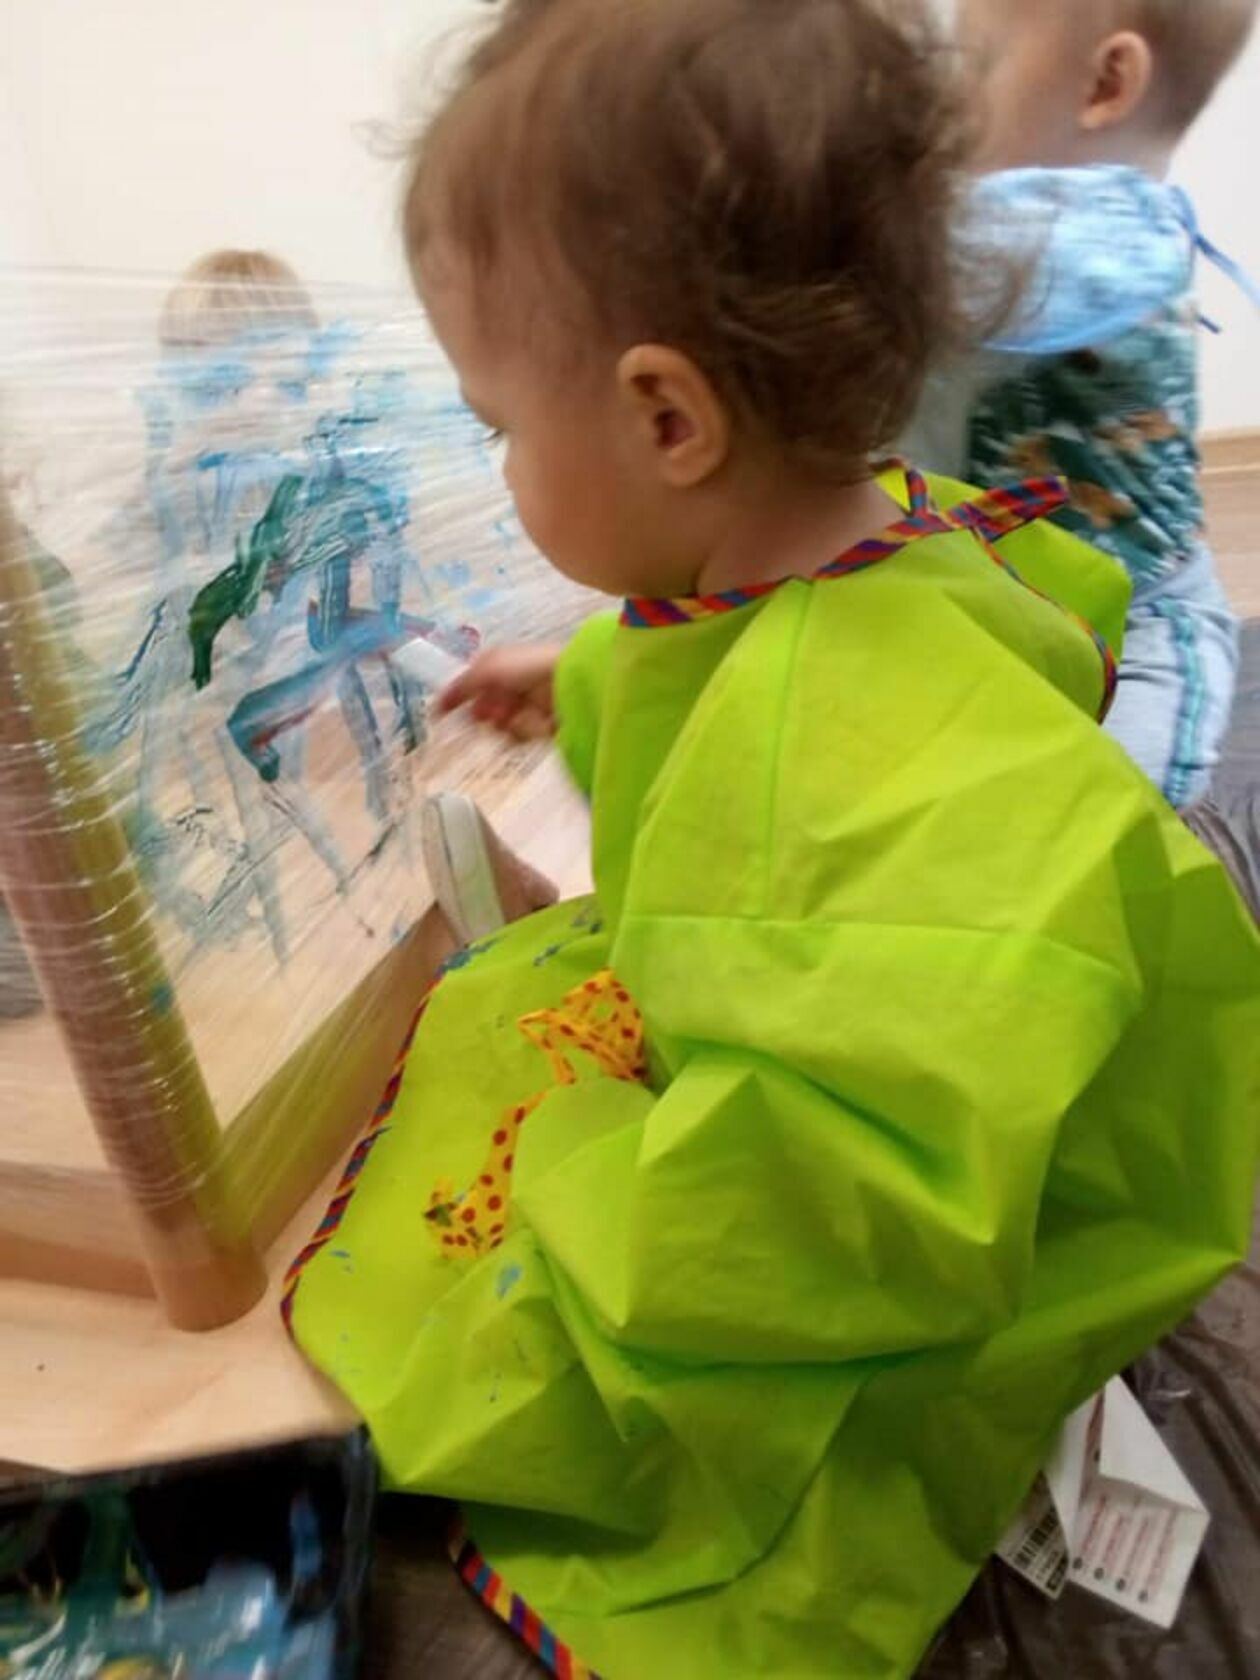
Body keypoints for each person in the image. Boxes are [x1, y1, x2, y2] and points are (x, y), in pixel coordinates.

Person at [284, 2, 1260, 1676]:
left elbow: (824, 1223)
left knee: (511, 1370)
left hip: (924, 1237)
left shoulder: (851, 756)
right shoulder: (886, 530)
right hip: (898, 1044)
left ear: (669, 420)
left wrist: (579, 1179)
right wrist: (585, 675)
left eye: (499, 425)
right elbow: (722, 649)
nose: (499, 465)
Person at [909, 0, 1258, 809]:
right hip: (995, 604)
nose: (941, 100)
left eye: (972, 67)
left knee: (1110, 805)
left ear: (1106, 83)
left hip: (1142, 628)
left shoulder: (1104, 240)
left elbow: (941, 274)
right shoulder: (1000, 234)